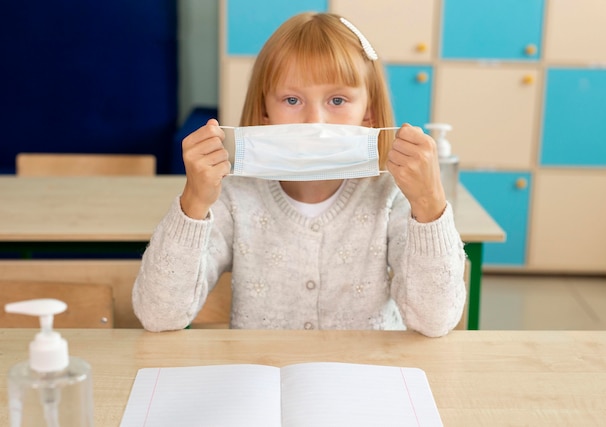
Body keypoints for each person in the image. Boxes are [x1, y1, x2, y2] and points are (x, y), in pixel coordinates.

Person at [132, 12, 466, 337]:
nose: (314, 121)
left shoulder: (392, 194)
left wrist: (429, 204)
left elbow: (435, 320)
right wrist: (194, 202)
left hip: (367, 380)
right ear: (264, 112)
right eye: (292, 99)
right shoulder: (234, 194)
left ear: (370, 113)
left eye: (337, 99)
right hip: (261, 378)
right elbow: (159, 315)